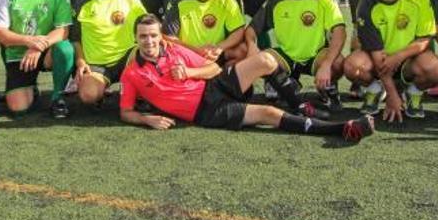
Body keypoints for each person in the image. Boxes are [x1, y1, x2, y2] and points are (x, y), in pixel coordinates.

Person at [119, 14, 374, 143]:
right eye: (143, 36)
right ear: (135, 38)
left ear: (160, 36)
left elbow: (214, 69)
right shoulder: (131, 73)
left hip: (216, 85)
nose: (149, 41)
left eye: (153, 35)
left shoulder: (174, 50)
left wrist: (190, 72)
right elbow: (125, 111)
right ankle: (343, 129)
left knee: (265, 60)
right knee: (267, 113)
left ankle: (299, 104)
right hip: (206, 111)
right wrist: (145, 119)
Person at [343, 0, 438, 121]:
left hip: (410, 60)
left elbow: (424, 40)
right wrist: (392, 95)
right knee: (353, 66)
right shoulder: (366, 5)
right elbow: (377, 56)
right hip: (379, 61)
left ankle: (414, 92)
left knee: (435, 70)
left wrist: (398, 56)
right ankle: (376, 89)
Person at [246, 0, 346, 111]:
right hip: (286, 56)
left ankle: (327, 88)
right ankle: (286, 84)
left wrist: (326, 65)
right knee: (261, 60)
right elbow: (251, 30)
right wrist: (252, 46)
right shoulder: (276, 1)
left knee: (338, 61)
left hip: (316, 55)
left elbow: (340, 31)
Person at [0, 0, 75, 118]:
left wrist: (37, 47)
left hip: (47, 53)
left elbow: (63, 31)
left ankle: (58, 97)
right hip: (19, 55)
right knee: (18, 108)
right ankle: (30, 87)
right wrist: (29, 42)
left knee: (65, 48)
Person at [71, 0, 148, 107]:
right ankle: (103, 89)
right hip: (97, 64)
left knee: (148, 49)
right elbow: (75, 38)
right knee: (88, 95)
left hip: (127, 58)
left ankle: (134, 87)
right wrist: (80, 61)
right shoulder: (81, 4)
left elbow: (148, 26)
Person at [163, 0, 248, 66]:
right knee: (169, 57)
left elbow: (238, 31)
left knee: (243, 51)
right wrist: (196, 51)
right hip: (189, 54)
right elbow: (168, 37)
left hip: (216, 53)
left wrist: (219, 47)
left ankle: (226, 79)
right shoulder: (178, 0)